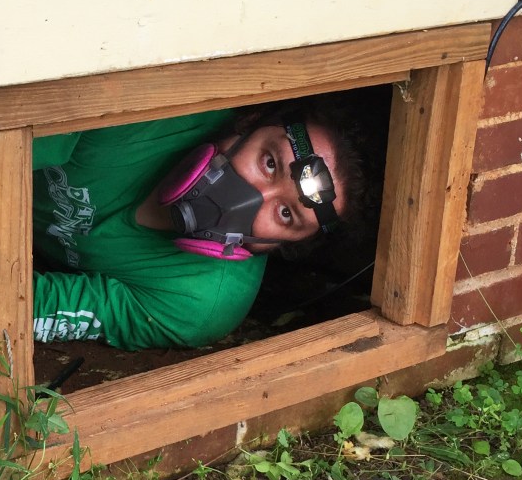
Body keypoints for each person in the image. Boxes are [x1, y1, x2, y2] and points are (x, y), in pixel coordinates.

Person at [32, 94, 376, 351]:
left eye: (286, 214)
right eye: (269, 163)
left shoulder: (201, 303)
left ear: (284, 246)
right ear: (249, 123)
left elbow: (28, 306)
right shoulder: (146, 111)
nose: (252, 197)